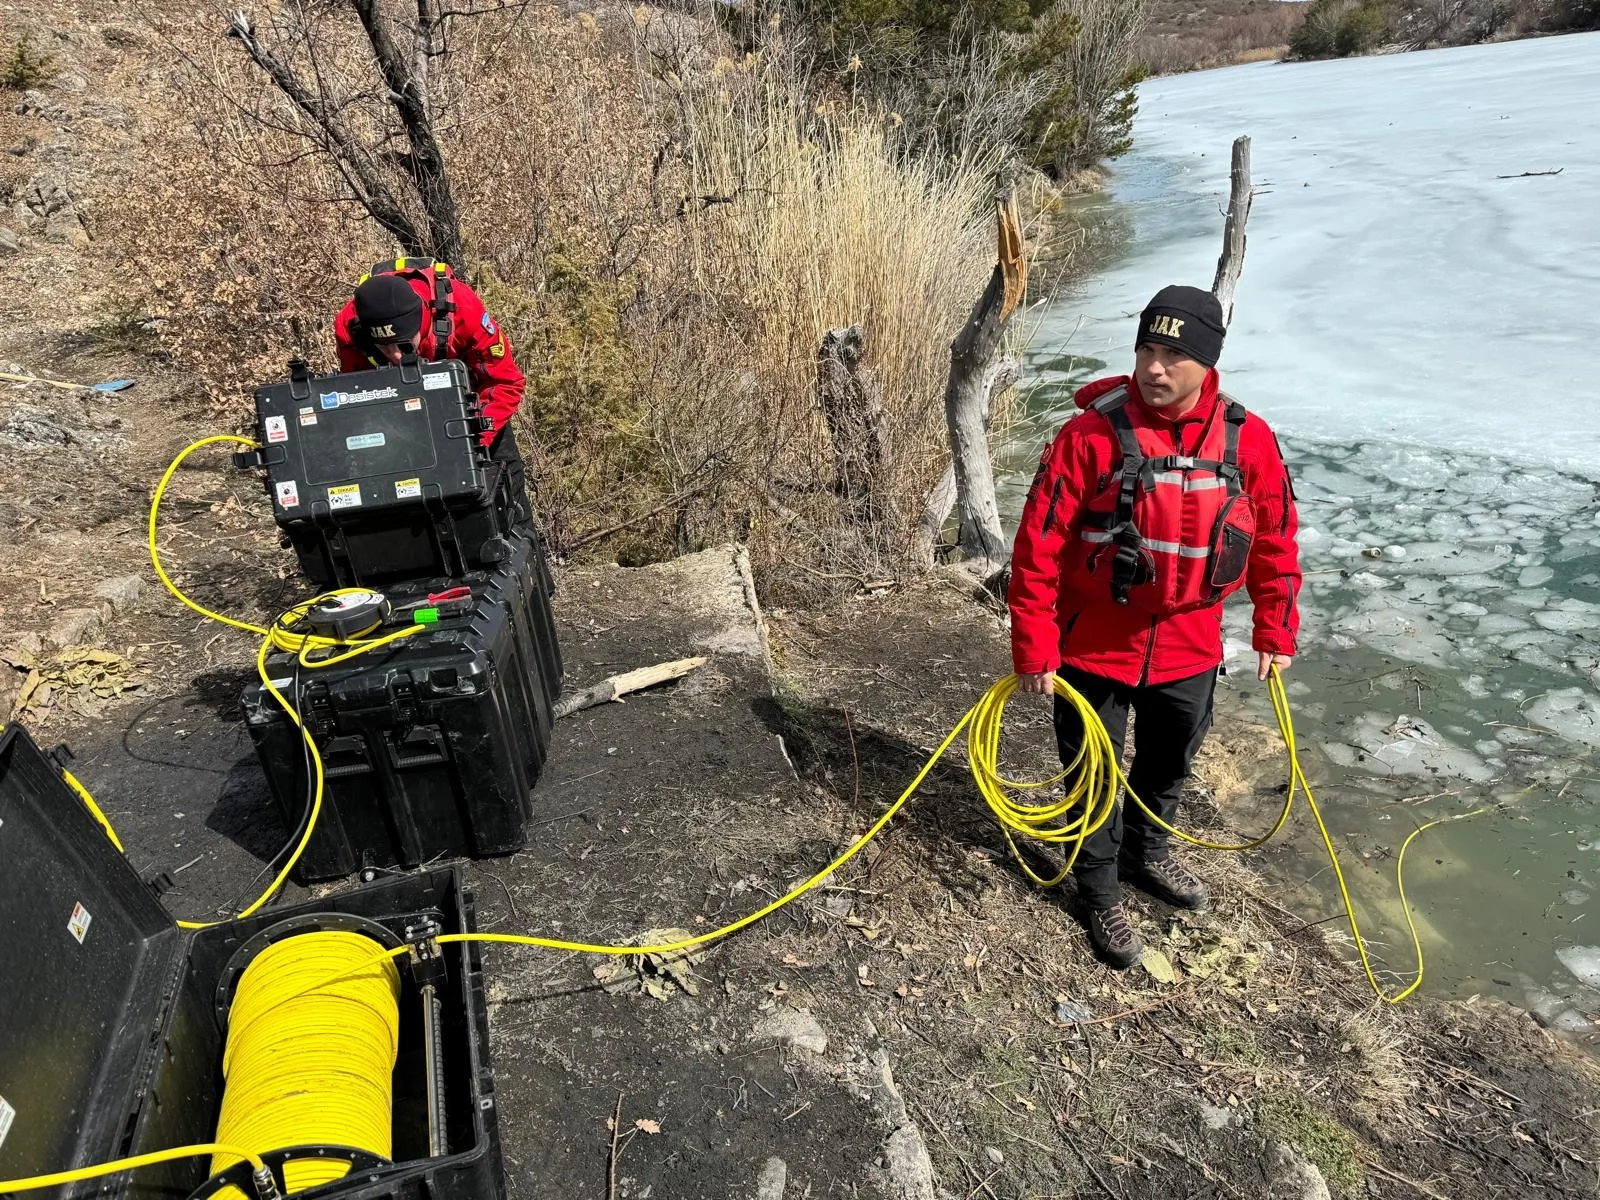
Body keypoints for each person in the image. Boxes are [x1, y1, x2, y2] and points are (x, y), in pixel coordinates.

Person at [1007, 284, 1302, 969]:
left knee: (1168, 766)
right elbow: (1038, 547)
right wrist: (1035, 647)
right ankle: (1100, 889)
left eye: (1173, 354)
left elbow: (1276, 538)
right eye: (1146, 348)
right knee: (1093, 776)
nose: (1154, 367)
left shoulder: (1245, 438)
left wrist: (1275, 628)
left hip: (1192, 647)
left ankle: (1147, 855)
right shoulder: (1088, 435)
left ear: (1208, 362)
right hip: (1092, 649)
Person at [333, 257, 534, 530]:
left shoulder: (462, 308)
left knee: (509, 502)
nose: (393, 356)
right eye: (383, 346)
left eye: (403, 345)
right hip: (399, 416)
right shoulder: (350, 327)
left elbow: (505, 383)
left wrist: (471, 441)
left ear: (420, 321)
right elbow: (358, 398)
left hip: (472, 409)